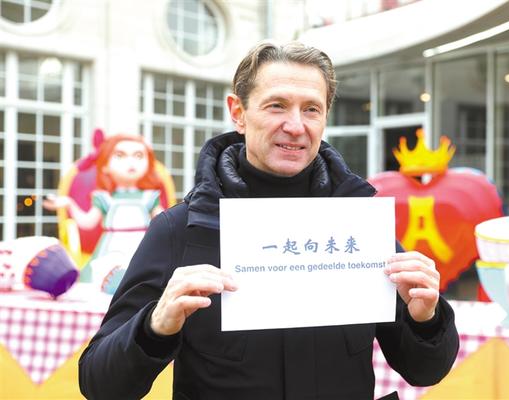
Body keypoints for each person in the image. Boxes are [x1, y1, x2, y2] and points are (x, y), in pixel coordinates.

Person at [79, 41, 459, 400]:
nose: (295, 125)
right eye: (277, 105)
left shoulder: (358, 226)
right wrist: (154, 325)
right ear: (238, 113)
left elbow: (425, 371)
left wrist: (426, 319)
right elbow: (100, 384)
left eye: (311, 109)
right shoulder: (182, 230)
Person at [44, 134, 164, 292]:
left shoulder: (149, 197)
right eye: (120, 156)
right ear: (105, 165)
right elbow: (87, 223)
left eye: (138, 156)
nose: (131, 162)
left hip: (142, 247)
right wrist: (69, 204)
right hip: (111, 248)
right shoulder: (104, 198)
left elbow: (164, 221)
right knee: (105, 283)